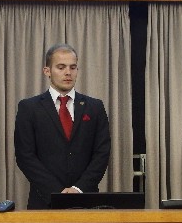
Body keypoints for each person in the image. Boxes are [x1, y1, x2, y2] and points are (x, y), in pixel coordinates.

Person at [14, 43, 111, 209]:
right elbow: (25, 156)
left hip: (86, 201)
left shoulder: (94, 107)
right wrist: (57, 192)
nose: (68, 72)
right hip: (44, 202)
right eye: (61, 67)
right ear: (47, 71)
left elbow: (102, 153)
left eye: (73, 67)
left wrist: (78, 189)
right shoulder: (29, 108)